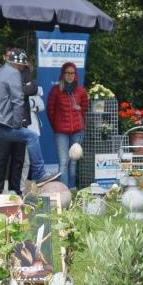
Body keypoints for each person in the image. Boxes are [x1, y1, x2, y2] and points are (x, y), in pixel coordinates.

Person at [0, 49, 59, 193]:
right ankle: (40, 174)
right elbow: (18, 101)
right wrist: (17, 125)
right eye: (23, 66)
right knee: (31, 136)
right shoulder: (13, 73)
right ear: (18, 64)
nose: (23, 68)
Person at [0, 47, 38, 194]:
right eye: (20, 64)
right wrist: (22, 87)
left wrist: (16, 89)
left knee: (18, 160)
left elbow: (33, 89)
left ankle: (15, 192)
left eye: (24, 64)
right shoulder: (0, 72)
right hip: (3, 122)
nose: (22, 67)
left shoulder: (25, 71)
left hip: (21, 123)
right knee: (1, 158)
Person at [46, 61, 88, 189]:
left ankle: (72, 189)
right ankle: (64, 191)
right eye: (67, 73)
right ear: (63, 74)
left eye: (72, 73)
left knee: (73, 162)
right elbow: (50, 111)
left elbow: (84, 109)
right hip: (61, 132)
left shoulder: (81, 91)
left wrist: (79, 109)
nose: (70, 76)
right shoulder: (55, 91)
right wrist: (57, 126)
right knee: (63, 162)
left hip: (77, 131)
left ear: (76, 75)